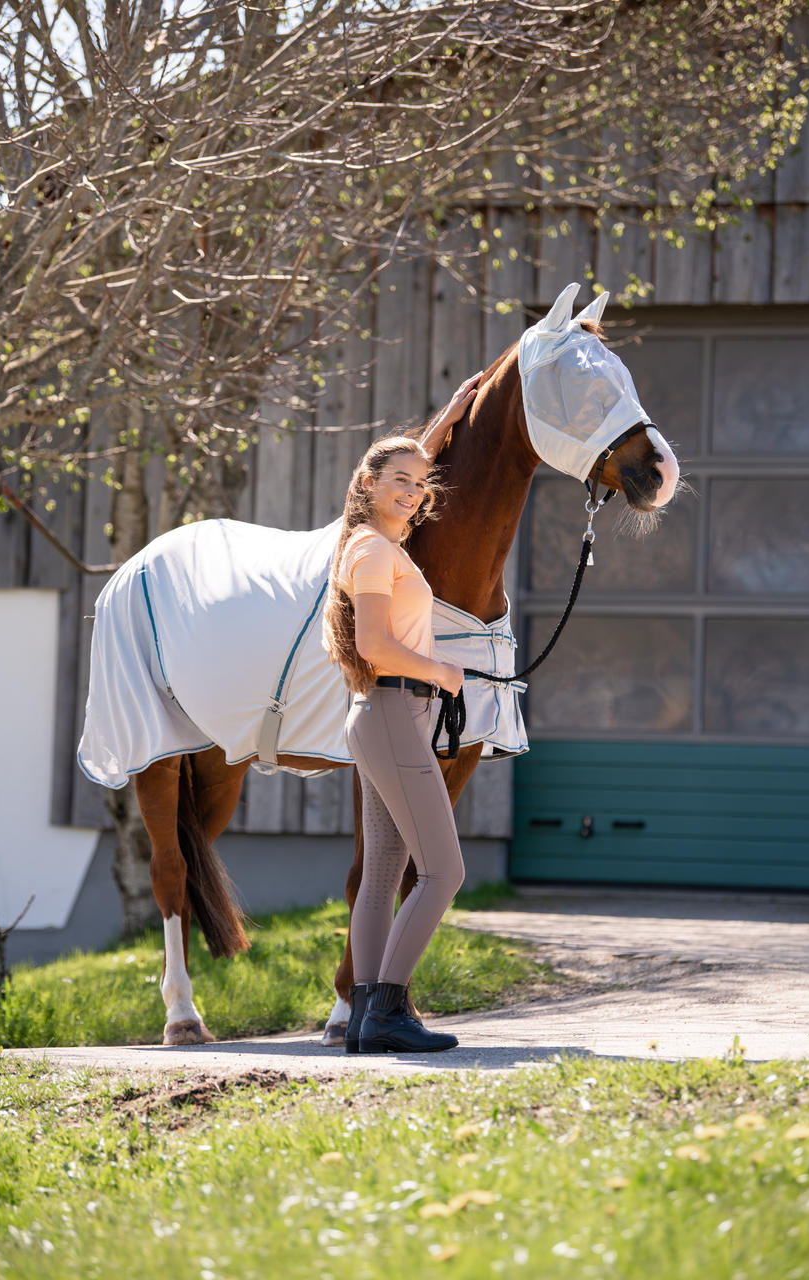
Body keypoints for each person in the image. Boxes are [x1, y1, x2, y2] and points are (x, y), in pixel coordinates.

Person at [322, 374, 481, 1054]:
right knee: (443, 872)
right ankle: (387, 1009)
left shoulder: (383, 545)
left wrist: (446, 417)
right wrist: (442, 670)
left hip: (389, 717)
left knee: (384, 871)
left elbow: (415, 460)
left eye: (420, 482)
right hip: (392, 711)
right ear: (367, 483)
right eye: (399, 479)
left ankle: (363, 1018)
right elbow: (373, 645)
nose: (413, 490)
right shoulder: (369, 548)